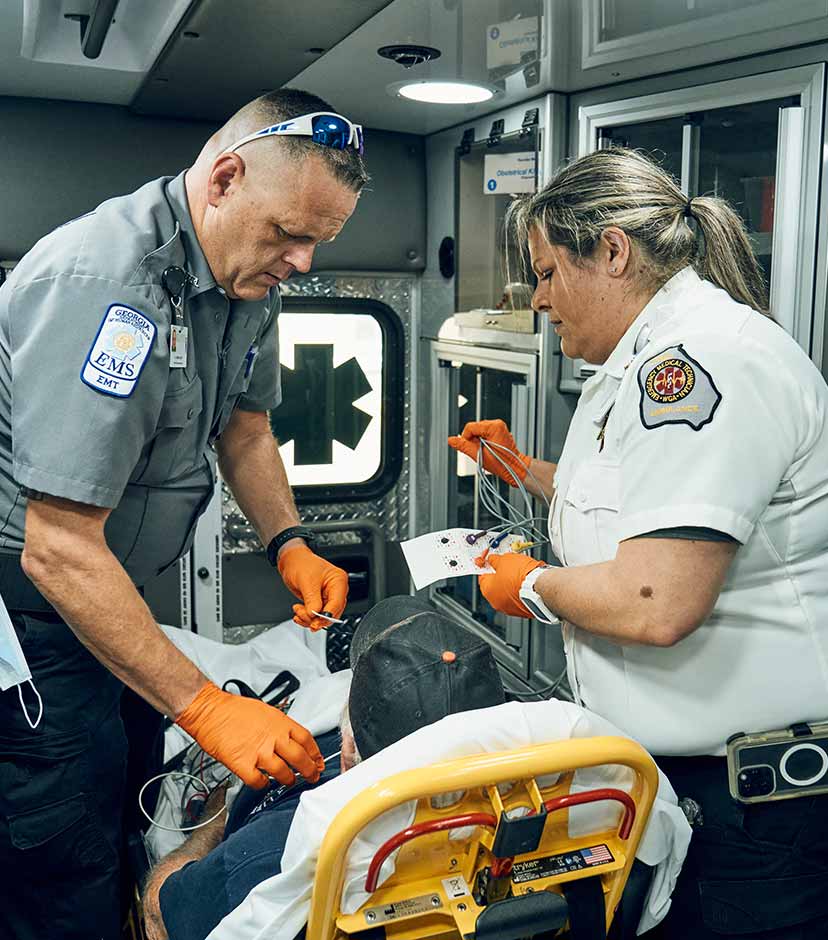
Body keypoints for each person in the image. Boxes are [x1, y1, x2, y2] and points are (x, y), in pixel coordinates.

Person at [0, 88, 368, 940]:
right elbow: (55, 551)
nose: (304, 261)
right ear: (226, 178)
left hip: (105, 605)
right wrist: (205, 706)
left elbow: (246, 426)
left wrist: (288, 542)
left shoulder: (246, 277)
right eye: (290, 234)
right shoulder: (108, 286)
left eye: (320, 240)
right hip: (34, 624)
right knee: (62, 859)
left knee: (120, 805)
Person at [448, 147, 828, 939]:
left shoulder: (702, 363)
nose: (540, 297)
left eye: (548, 271)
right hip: (685, 790)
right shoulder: (641, 363)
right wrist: (522, 468)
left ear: (612, 251)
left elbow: (659, 602)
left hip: (757, 813)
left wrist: (525, 586)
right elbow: (646, 504)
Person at [141, 595, 506, 940]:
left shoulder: (275, 853)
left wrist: (222, 810)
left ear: (347, 752)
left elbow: (161, 914)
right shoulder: (541, 800)